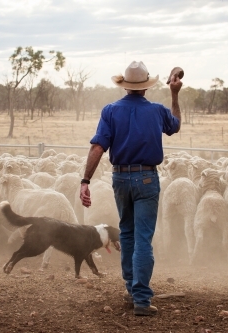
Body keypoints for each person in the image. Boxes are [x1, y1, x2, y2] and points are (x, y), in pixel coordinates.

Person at [79, 61, 182, 316]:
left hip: (120, 179)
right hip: (147, 178)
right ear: (146, 86)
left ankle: (130, 289)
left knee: (126, 234)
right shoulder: (157, 111)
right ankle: (142, 299)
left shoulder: (110, 111)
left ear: (125, 86)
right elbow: (176, 125)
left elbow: (97, 147)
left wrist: (85, 180)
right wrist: (174, 94)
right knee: (143, 238)